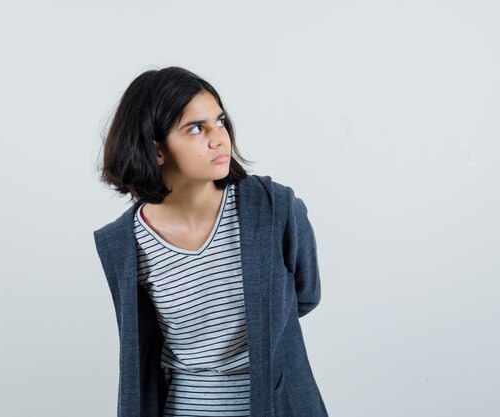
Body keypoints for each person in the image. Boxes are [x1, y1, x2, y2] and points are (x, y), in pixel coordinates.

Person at [93, 66, 328, 417]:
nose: (219, 138)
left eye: (220, 121)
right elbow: (141, 352)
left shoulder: (274, 207)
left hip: (279, 405)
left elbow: (304, 296)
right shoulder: (125, 245)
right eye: (196, 128)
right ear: (156, 150)